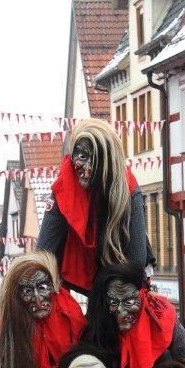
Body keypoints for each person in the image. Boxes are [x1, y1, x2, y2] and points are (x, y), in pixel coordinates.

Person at [36, 118, 150, 294]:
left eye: (94, 160)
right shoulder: (63, 187)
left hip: (118, 277)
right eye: (81, 157)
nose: (87, 169)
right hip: (70, 275)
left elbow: (135, 263)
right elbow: (43, 252)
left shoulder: (128, 189)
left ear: (108, 162)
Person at [82, 262, 185, 368]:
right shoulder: (98, 323)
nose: (122, 310)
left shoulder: (161, 316)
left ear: (141, 295)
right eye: (114, 302)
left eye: (129, 302)